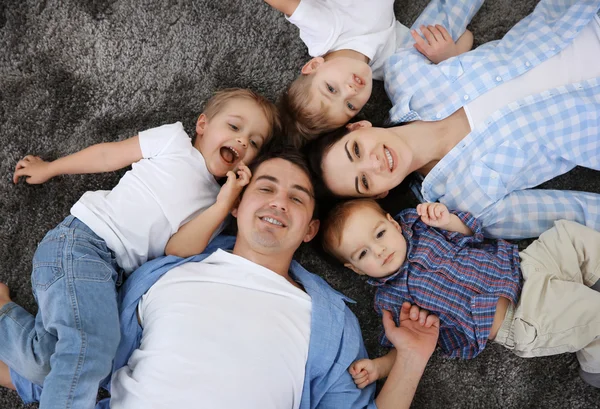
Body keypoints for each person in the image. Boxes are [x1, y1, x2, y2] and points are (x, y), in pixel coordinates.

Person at [3, 148, 439, 408]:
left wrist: (412, 359)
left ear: (310, 230)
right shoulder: (162, 273)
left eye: (297, 197)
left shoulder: (331, 323)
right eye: (265, 188)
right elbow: (79, 363)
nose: (278, 203)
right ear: (235, 205)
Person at [0, 88, 280, 409]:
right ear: (202, 124)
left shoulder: (216, 208)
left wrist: (225, 201)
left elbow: (177, 249)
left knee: (54, 364)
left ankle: (4, 317)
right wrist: (51, 167)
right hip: (83, 244)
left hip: (110, 276)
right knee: (90, 351)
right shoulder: (174, 142)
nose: (243, 141)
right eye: (234, 127)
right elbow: (108, 155)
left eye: (255, 142)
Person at [308, 0, 600, 239]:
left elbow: (452, 5)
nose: (374, 163)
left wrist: (453, 55)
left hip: (580, 18)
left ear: (359, 126)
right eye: (364, 181)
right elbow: (572, 213)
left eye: (356, 150)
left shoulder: (406, 74)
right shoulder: (469, 203)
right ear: (380, 193)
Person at [321, 198, 600, 389]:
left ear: (393, 223)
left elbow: (472, 234)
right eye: (363, 253)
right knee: (593, 313)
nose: (379, 250)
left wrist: (448, 221)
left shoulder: (420, 226)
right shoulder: (390, 300)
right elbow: (406, 347)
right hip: (522, 315)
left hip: (524, 264)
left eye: (379, 234)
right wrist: (380, 367)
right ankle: (595, 367)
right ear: (355, 269)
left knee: (569, 235)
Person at [264, 0, 474, 145]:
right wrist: (448, 56)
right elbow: (464, 35)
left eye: (331, 88)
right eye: (350, 105)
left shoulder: (325, 33)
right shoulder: (389, 65)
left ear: (314, 66)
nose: (350, 90)